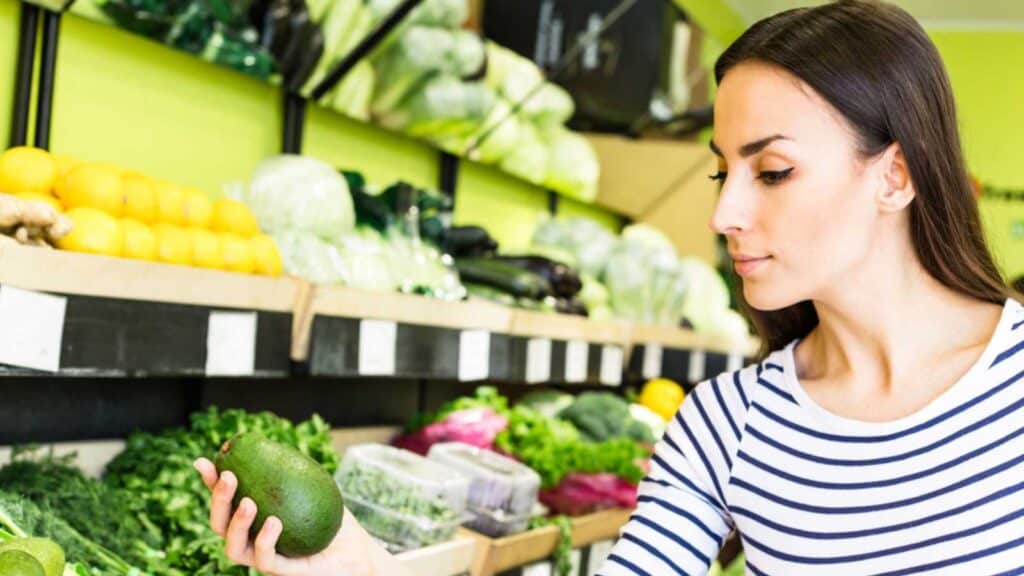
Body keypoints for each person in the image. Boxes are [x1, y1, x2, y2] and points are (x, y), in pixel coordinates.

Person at [194, 1, 1024, 574]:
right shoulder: (727, 426)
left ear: (897, 174)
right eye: (721, 171)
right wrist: (360, 564)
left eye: (772, 170)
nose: (727, 211)